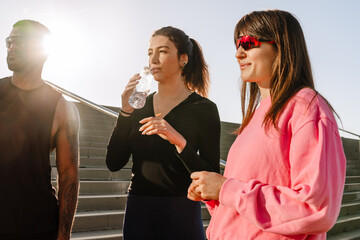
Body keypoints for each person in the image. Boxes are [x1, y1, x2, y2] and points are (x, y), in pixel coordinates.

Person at [188, 9, 346, 240]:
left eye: (249, 42)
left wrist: (226, 189)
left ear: (282, 46)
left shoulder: (306, 107)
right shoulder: (255, 116)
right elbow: (243, 208)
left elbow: (316, 209)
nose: (238, 53)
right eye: (237, 44)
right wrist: (215, 194)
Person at [106, 26, 220, 240]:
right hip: (139, 212)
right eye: (150, 53)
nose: (154, 59)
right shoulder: (139, 105)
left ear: (183, 59)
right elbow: (114, 162)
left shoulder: (204, 109)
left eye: (163, 51)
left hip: (182, 213)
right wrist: (125, 112)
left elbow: (212, 174)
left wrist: (180, 142)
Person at [0, 20, 79, 239]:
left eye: (19, 41)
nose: (11, 47)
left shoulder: (62, 108)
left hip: (39, 226)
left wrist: (64, 234)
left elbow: (68, 176)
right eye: (9, 41)